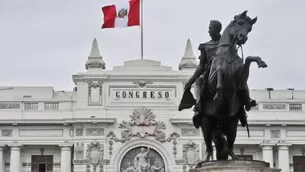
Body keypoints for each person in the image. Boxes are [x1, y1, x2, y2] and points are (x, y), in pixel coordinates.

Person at [184, 20, 256, 129]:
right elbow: (201, 66)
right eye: (209, 28)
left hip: (228, 71)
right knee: (200, 80)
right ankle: (198, 106)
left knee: (240, 79)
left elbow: (239, 40)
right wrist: (190, 81)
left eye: (211, 28)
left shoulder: (228, 44)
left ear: (217, 30)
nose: (209, 31)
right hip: (210, 73)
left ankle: (246, 102)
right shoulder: (205, 46)